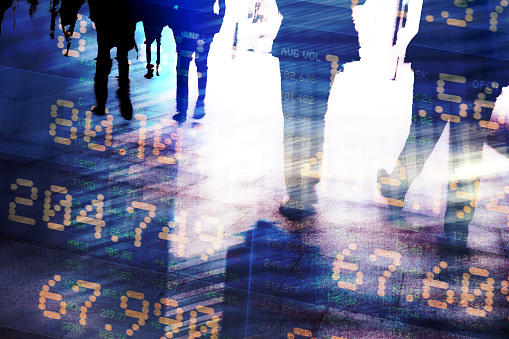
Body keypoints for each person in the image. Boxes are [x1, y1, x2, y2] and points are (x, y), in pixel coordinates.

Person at [377, 0, 509, 252]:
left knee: (423, 134)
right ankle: (457, 227)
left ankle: (397, 187)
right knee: (468, 149)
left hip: (437, 59)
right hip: (482, 67)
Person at [274, 0, 360, 220]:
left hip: (296, 42)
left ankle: (296, 193)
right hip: (329, 45)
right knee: (313, 119)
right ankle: (307, 187)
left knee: (294, 121)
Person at [170, 0, 226, 123]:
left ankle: (182, 109)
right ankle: (199, 102)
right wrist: (216, 24)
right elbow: (222, 4)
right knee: (201, 65)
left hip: (185, 24)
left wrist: (173, 21)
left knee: (182, 67)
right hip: (204, 27)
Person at [88, 0, 138, 120]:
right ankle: (124, 92)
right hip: (124, 17)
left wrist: (95, 14)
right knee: (122, 56)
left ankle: (101, 102)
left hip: (105, 16)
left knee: (103, 54)